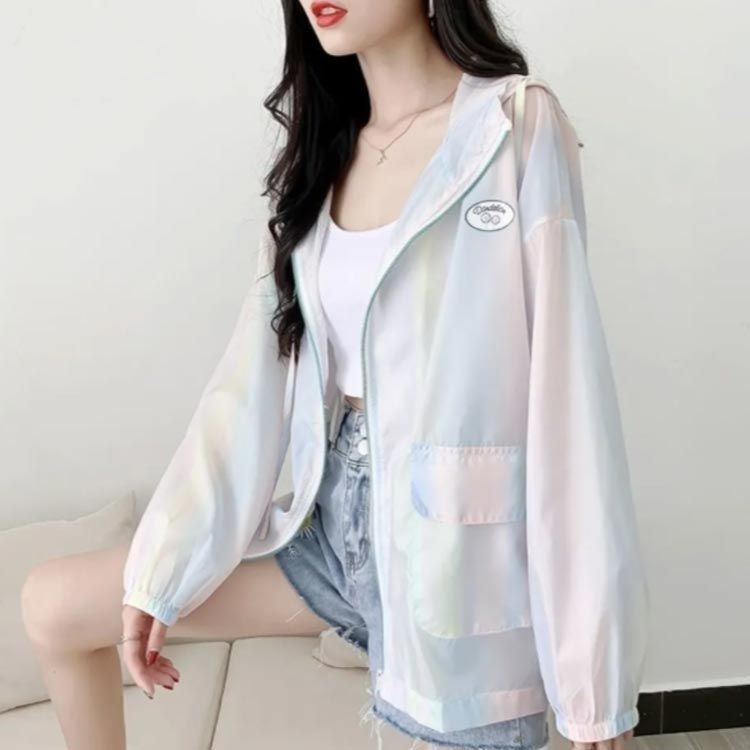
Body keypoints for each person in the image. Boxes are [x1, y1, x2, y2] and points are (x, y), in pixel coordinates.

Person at [21, 1, 650, 749]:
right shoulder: (321, 157)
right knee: (53, 605)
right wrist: (164, 568)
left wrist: (592, 683)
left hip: (456, 548)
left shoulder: (513, 125)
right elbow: (247, 386)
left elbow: (569, 400)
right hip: (329, 524)